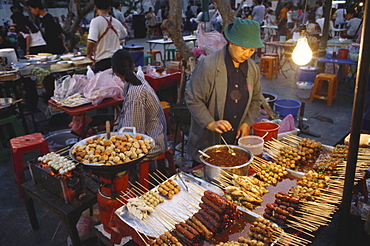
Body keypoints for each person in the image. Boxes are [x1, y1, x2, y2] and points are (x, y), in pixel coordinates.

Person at [185, 18, 263, 164]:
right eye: (243, 48)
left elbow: (256, 99)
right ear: (231, 42)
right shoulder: (208, 65)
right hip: (208, 141)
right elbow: (193, 99)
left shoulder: (253, 69)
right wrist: (210, 123)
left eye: (251, 50)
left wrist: (247, 123)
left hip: (236, 140)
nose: (247, 54)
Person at [111, 49, 167, 160]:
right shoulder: (137, 79)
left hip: (153, 143)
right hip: (149, 135)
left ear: (114, 71)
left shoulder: (135, 94)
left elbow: (132, 134)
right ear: (133, 66)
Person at [87, 0, 127, 73]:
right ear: (109, 8)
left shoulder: (95, 21)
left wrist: (88, 52)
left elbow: (92, 40)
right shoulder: (116, 22)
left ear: (96, 8)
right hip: (117, 61)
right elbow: (124, 34)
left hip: (102, 62)